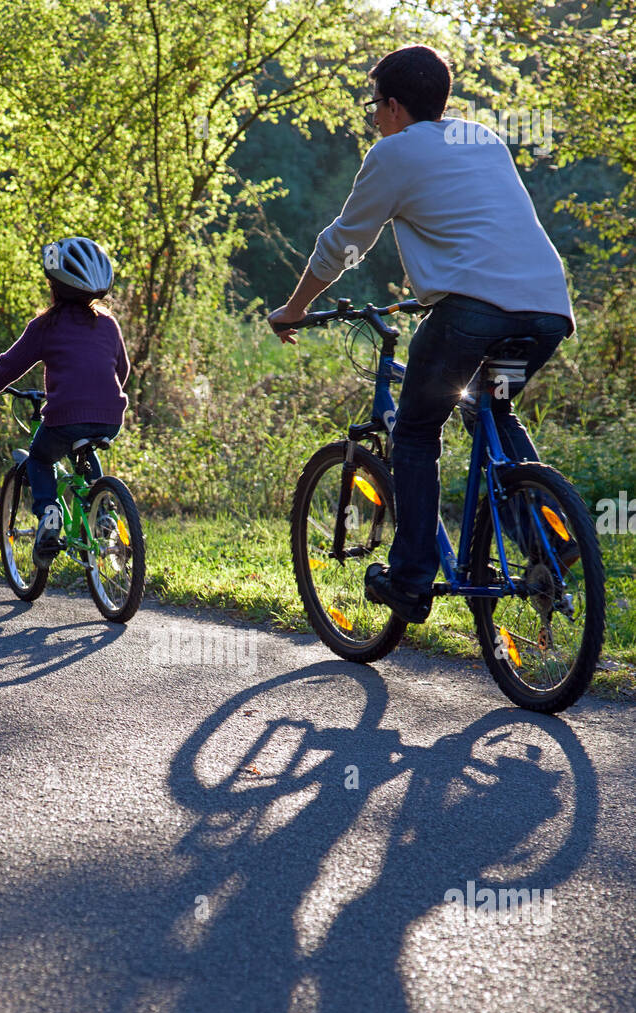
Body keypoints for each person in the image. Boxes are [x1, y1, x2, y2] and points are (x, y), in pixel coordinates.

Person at [268, 45, 574, 624]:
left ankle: (409, 580)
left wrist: (293, 309)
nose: (373, 117)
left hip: (470, 316)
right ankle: (548, 542)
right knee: (493, 406)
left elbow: (345, 244)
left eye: (373, 105)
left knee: (413, 432)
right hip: (544, 314)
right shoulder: (479, 137)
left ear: (393, 106)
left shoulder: (393, 154)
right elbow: (482, 228)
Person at [0, 237, 130, 567]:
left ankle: (48, 513)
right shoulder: (109, 324)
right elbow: (121, 370)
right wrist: (102, 397)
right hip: (111, 416)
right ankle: (102, 513)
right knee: (85, 447)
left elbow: (8, 366)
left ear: (53, 286)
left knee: (39, 458)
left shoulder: (45, 326)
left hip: (64, 417)